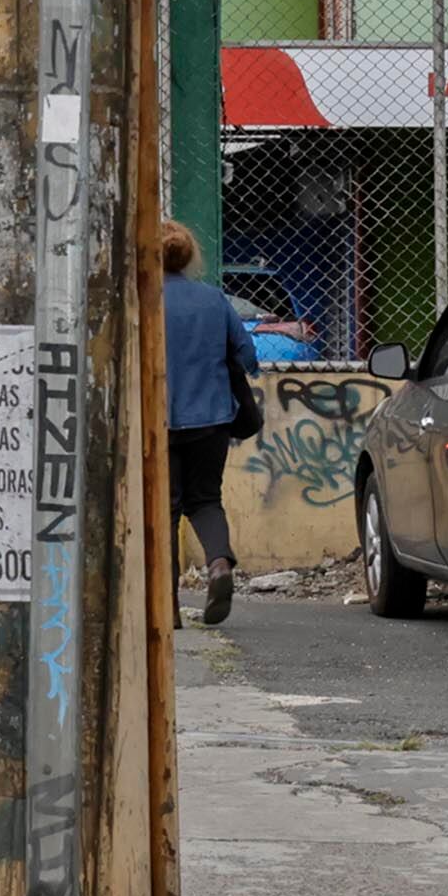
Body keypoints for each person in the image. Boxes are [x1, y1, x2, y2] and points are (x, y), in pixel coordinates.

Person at [161, 219, 257, 626]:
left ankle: (166, 605)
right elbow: (248, 358)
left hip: (157, 423)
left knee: (161, 510)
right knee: (205, 500)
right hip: (212, 419)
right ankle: (219, 564)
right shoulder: (214, 299)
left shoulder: (140, 298)